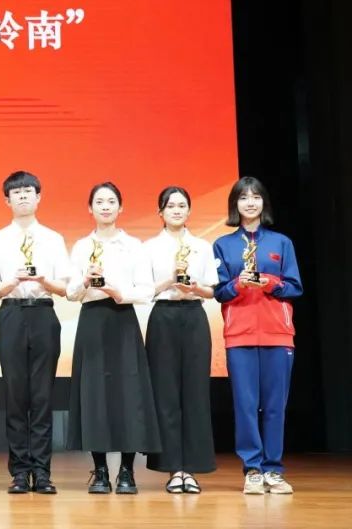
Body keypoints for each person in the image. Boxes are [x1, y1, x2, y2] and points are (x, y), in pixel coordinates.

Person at [67, 182, 160, 494]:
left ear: (121, 208)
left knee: (128, 395)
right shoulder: (82, 246)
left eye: (111, 201)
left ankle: (127, 472)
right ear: (89, 208)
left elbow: (146, 290)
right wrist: (84, 281)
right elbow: (70, 293)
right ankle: (100, 471)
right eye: (99, 202)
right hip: (92, 320)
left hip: (122, 319)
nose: (105, 207)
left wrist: (120, 293)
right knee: (94, 394)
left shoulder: (133, 245)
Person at [213, 176, 302, 495]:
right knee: (246, 405)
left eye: (256, 197)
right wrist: (238, 285)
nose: (250, 202)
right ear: (234, 205)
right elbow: (219, 292)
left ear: (264, 203)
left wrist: (270, 283)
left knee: (276, 406)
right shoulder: (223, 245)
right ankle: (252, 468)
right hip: (240, 335)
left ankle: (273, 469)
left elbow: (295, 287)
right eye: (243, 197)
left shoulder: (281, 243)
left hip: (278, 334)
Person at [0, 171, 74, 495]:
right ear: (7, 200)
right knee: (15, 395)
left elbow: (65, 288)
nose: (23, 196)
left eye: (28, 191)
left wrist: (43, 281)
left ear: (38, 197)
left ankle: (43, 471)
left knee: (42, 396)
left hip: (43, 314)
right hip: (11, 313)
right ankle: (20, 472)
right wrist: (12, 282)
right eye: (16, 192)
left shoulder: (52, 238)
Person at [142, 186, 218, 493]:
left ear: (189, 211)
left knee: (196, 392)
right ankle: (174, 468)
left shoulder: (202, 246)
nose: (176, 210)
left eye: (182, 205)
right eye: (170, 205)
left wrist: (195, 288)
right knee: (166, 393)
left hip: (194, 316)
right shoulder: (149, 247)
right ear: (160, 212)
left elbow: (212, 290)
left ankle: (191, 469)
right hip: (163, 316)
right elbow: (144, 290)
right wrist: (170, 281)